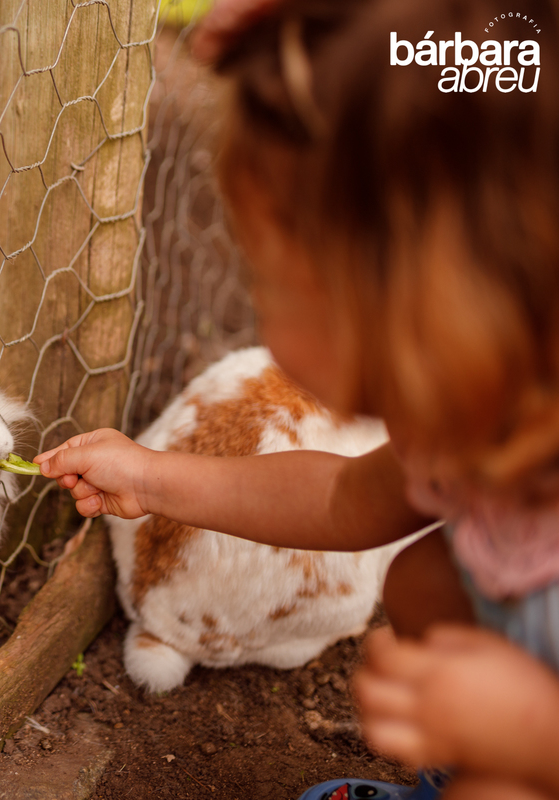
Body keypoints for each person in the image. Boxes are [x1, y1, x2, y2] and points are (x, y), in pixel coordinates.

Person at [34, 0, 559, 798]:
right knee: (423, 575)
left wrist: (524, 735)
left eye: (271, 281)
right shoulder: (466, 423)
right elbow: (348, 498)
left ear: (407, 303)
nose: (261, 312)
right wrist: (151, 477)